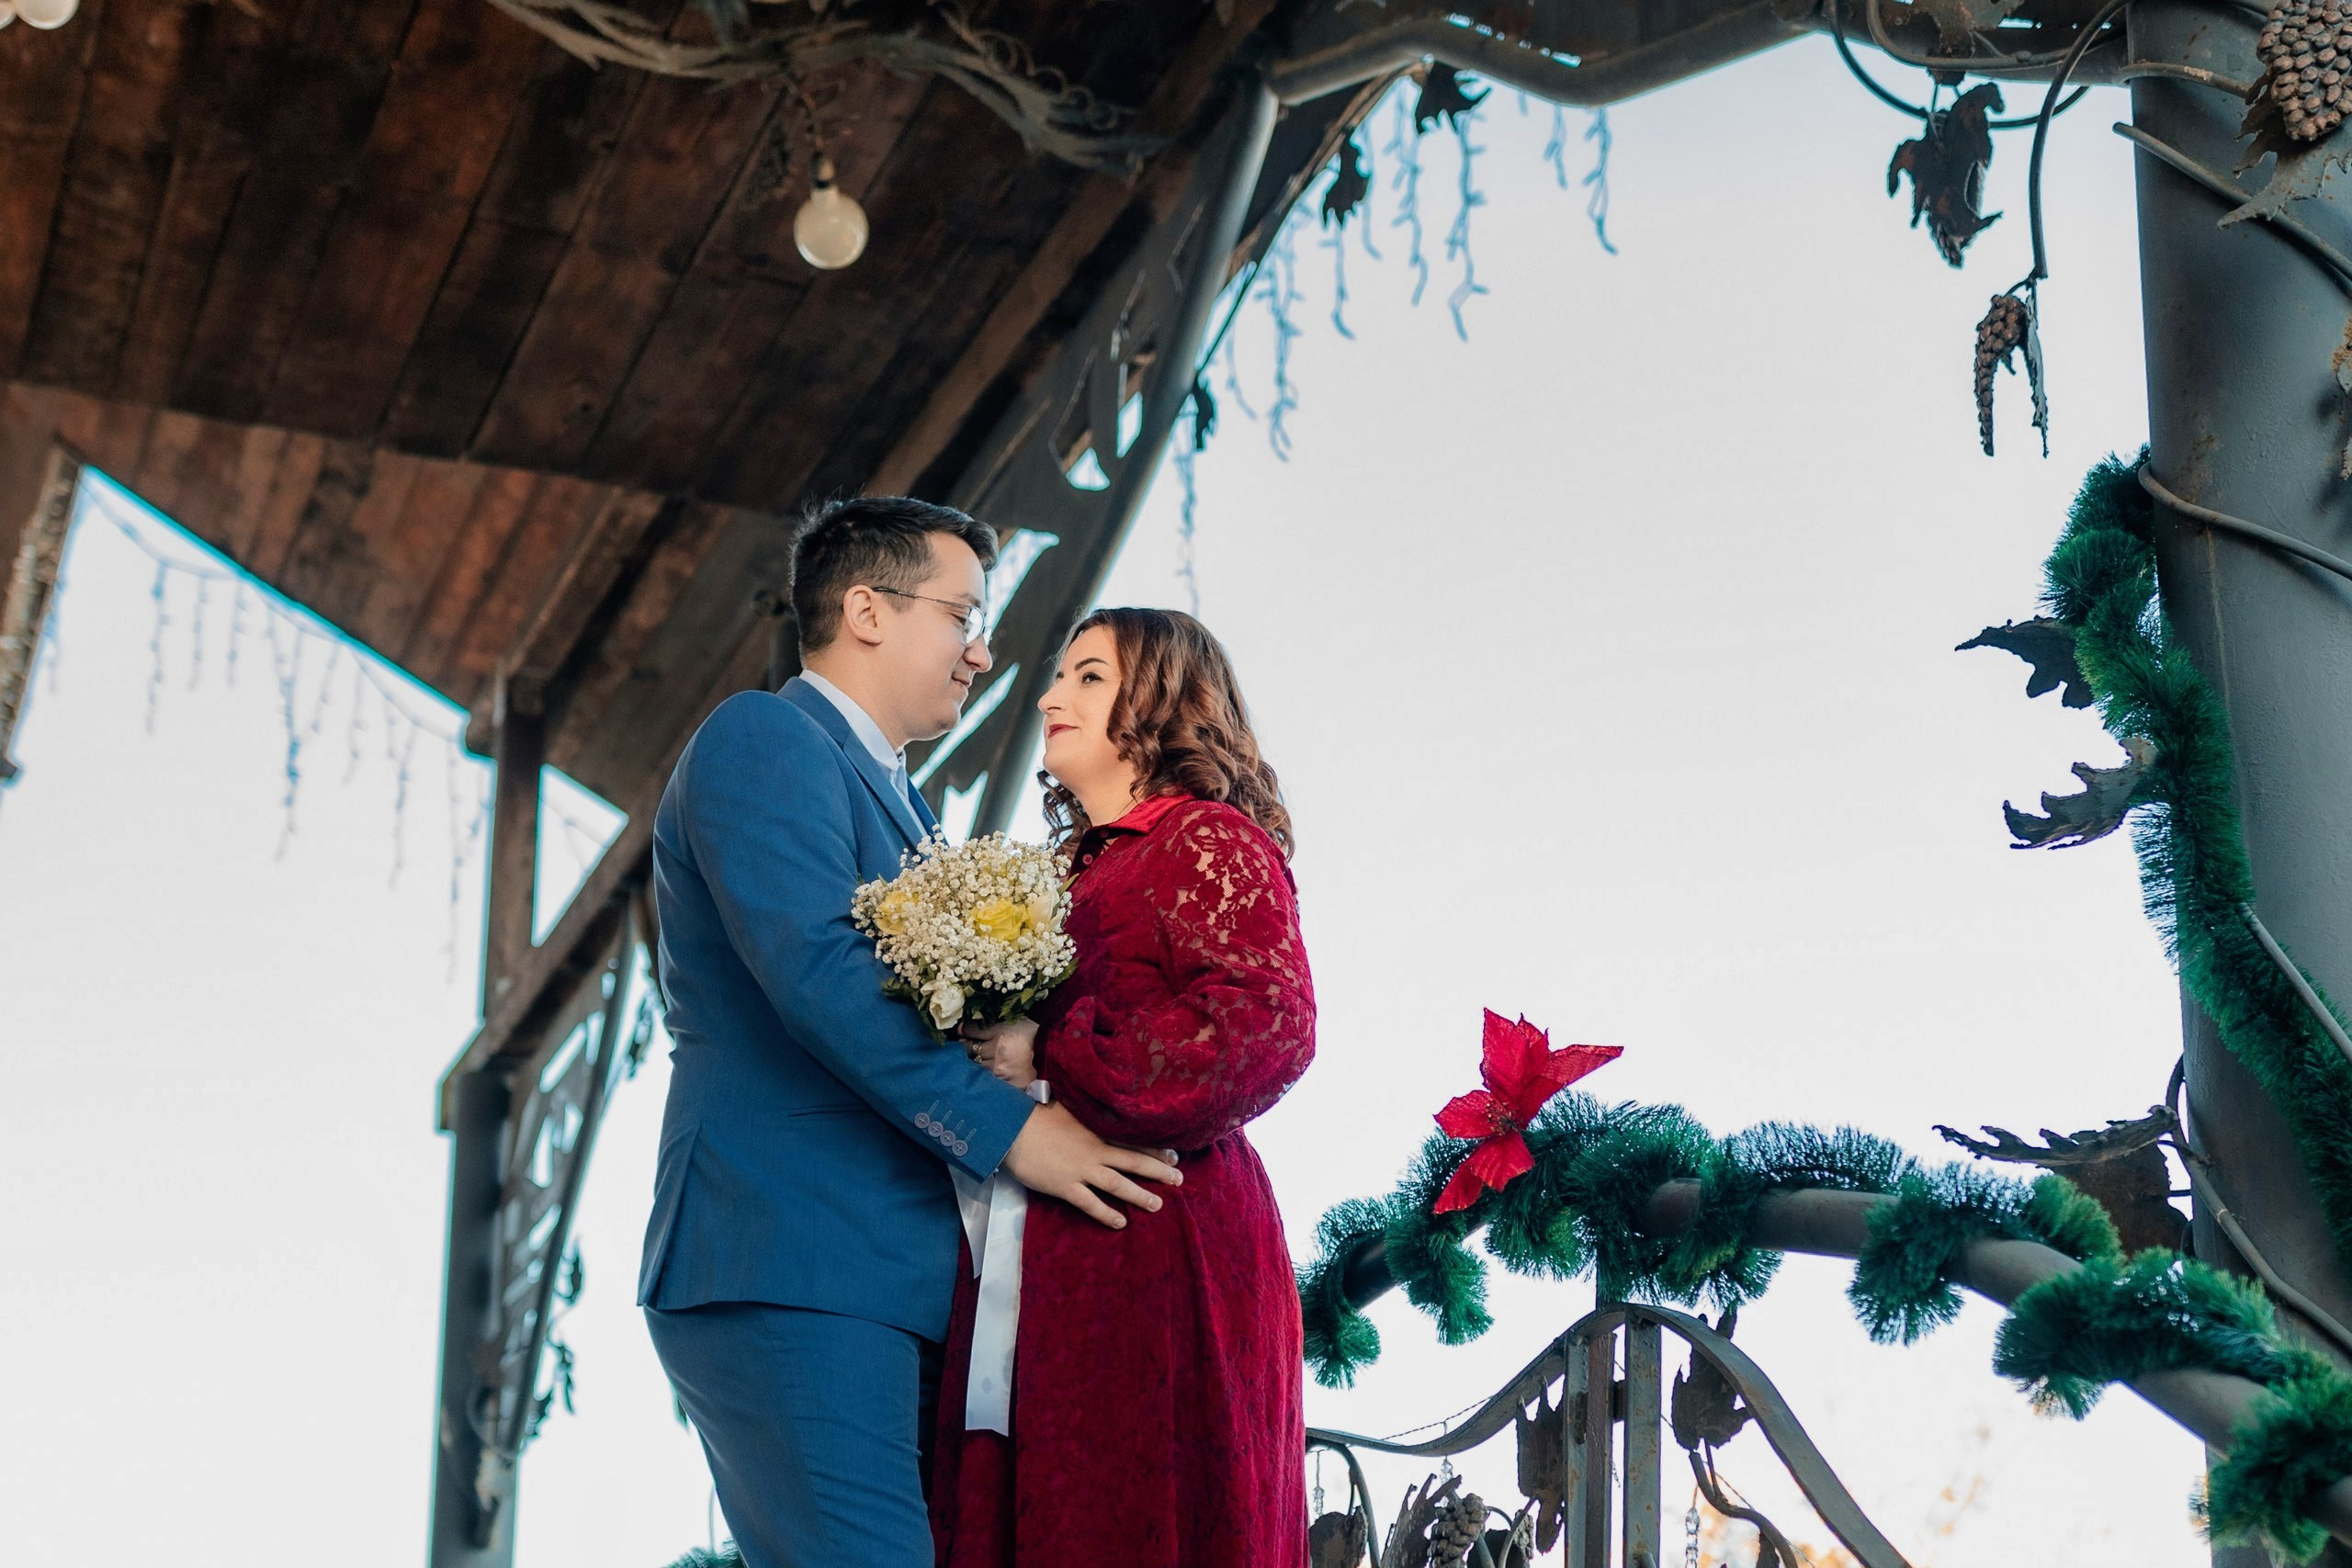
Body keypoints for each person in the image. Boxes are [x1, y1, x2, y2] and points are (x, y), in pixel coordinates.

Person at [636, 499, 1182, 1568]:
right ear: (866, 611)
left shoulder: (913, 812)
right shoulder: (763, 737)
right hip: (794, 1252)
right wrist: (1016, 1135)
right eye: (961, 615)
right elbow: (816, 970)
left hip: (899, 1279)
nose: (982, 654)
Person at [933, 607, 1317, 1568]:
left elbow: (1268, 1026)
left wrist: (1053, 1051)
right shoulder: (1062, 875)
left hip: (1158, 1241)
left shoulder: (1206, 841)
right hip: (1044, 1250)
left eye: (1089, 676)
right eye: (1058, 677)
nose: (1051, 696)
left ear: (1166, 701)